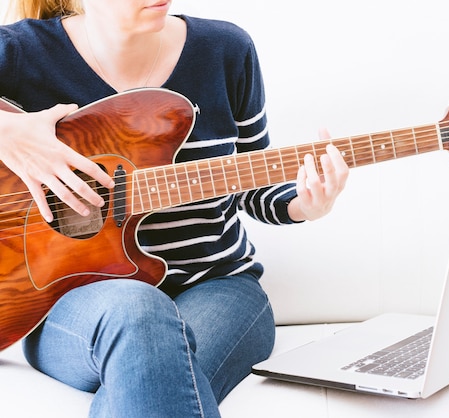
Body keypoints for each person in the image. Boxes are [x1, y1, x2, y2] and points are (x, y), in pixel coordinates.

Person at [0, 1, 349, 417]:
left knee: (149, 376)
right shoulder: (19, 53)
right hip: (70, 305)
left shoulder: (225, 50)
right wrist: (8, 133)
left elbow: (252, 186)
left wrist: (303, 204)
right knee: (139, 310)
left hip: (218, 288)